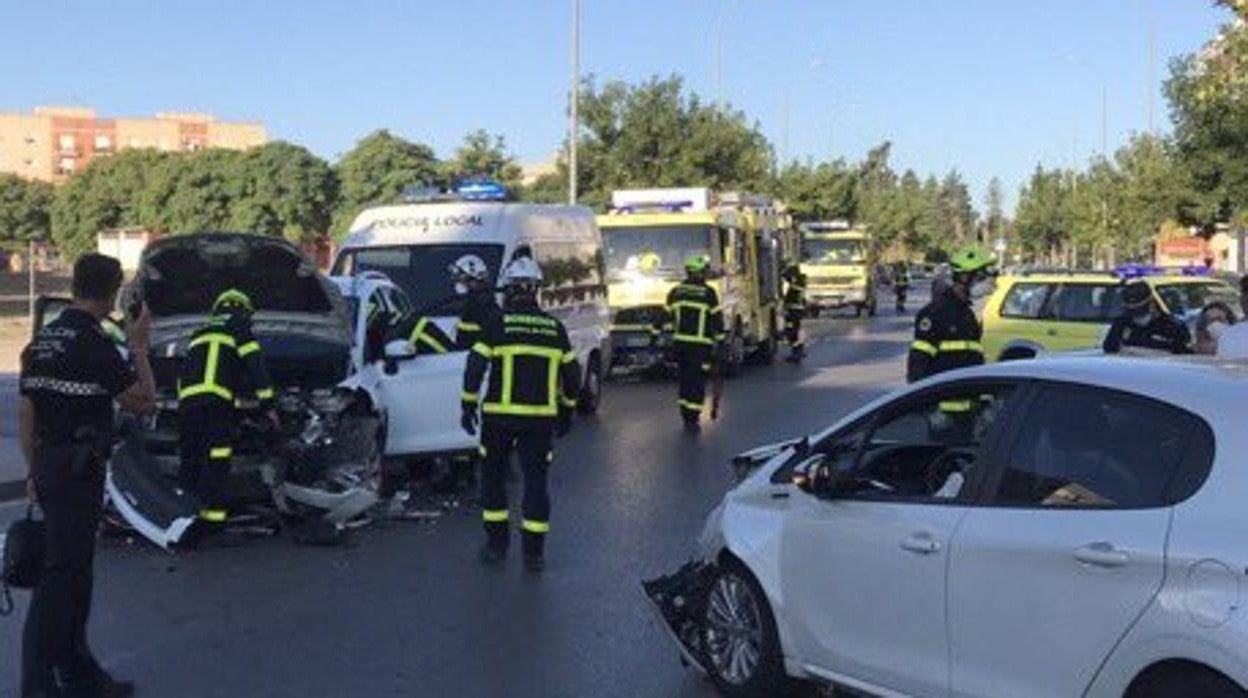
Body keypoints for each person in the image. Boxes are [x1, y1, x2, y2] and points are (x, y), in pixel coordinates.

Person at [19, 253, 156, 698]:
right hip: (79, 470)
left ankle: (80, 673)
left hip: (50, 464)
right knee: (61, 577)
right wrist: (138, 345)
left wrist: (32, 470)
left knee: (77, 574)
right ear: (112, 289)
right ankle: (37, 685)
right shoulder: (92, 343)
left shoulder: (42, 341)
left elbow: (28, 410)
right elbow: (142, 402)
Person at [461, 257, 579, 572]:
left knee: (493, 480)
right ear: (537, 290)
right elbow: (572, 375)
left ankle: (497, 546)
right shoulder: (555, 329)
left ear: (510, 290)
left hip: (498, 419)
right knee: (536, 483)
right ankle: (534, 554)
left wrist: (467, 403)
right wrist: (567, 409)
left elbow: (475, 366)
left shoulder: (497, 324)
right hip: (540, 421)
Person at [177, 289, 278, 534]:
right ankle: (213, 522)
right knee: (217, 459)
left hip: (187, 404)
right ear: (242, 310)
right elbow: (255, 366)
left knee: (192, 459)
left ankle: (183, 518)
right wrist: (268, 405)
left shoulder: (199, 333)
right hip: (216, 404)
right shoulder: (239, 327)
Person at [907, 246, 995, 384]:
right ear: (965, 277)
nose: (989, 285)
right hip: (941, 403)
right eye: (982, 278)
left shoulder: (969, 314)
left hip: (970, 402)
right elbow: (917, 367)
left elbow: (974, 359)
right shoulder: (934, 314)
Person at [665, 255, 726, 433]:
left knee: (684, 380)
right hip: (700, 347)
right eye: (705, 270)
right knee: (697, 381)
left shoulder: (675, 291)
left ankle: (685, 415)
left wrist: (662, 339)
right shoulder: (708, 293)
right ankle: (693, 418)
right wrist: (721, 343)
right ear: (699, 272)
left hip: (679, 345)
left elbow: (667, 319)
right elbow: (717, 320)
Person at [1102, 280, 1192, 355]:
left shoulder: (1172, 326)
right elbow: (1109, 349)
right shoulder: (1121, 323)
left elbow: (1184, 354)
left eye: (1139, 310)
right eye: (1130, 311)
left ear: (1151, 304)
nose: (1135, 316)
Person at [450, 255, 498, 351]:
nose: (457, 283)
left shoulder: (483, 307)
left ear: (474, 279)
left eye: (460, 279)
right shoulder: (473, 304)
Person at [781, 264, 807, 363]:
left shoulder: (799, 283)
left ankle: (797, 353)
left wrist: (787, 279)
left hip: (794, 311)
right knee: (793, 331)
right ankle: (797, 351)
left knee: (792, 331)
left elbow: (793, 292)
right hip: (794, 310)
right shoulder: (798, 282)